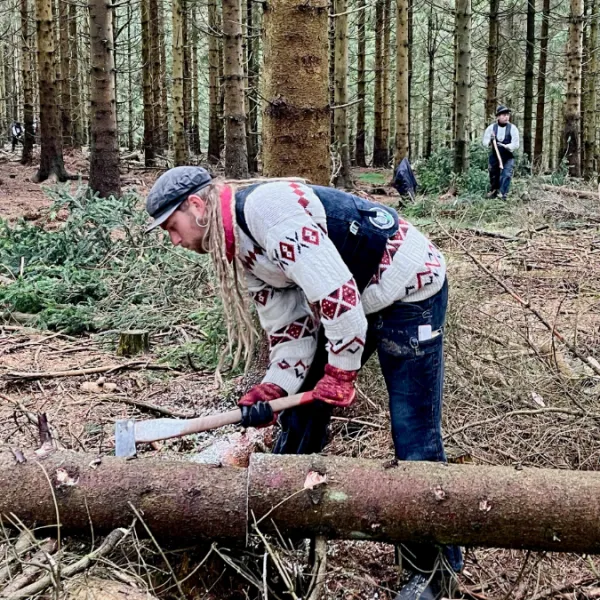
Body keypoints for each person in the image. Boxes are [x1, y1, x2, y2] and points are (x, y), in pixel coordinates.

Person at [145, 167, 463, 599]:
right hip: (355, 300)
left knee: (413, 433)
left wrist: (341, 372)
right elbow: (290, 328)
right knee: (299, 414)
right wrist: (276, 387)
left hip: (409, 289)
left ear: (196, 207)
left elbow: (339, 300)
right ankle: (285, 525)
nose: (175, 240)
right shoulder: (236, 248)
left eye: (172, 227)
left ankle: (432, 572)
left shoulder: (269, 212)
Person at [482, 105, 520, 200]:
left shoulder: (513, 128)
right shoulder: (491, 128)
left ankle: (503, 195)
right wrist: (490, 141)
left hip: (508, 156)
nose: (506, 117)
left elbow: (516, 144)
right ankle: (494, 191)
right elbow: (484, 142)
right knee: (494, 174)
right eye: (503, 115)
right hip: (495, 156)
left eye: (507, 115)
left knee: (506, 174)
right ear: (498, 116)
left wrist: (507, 146)